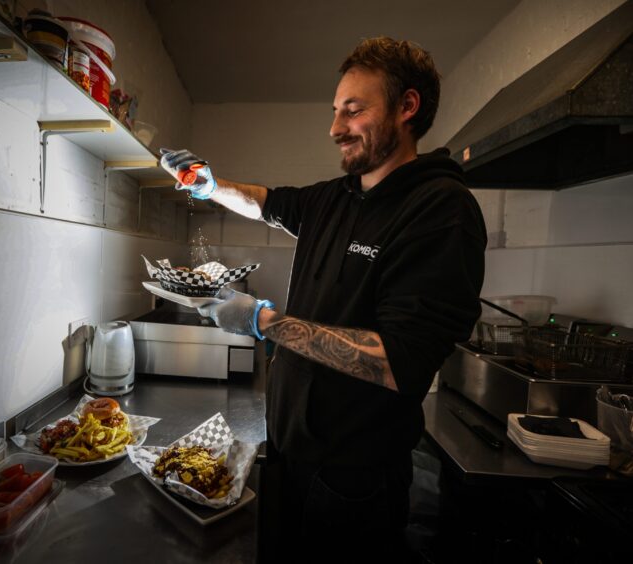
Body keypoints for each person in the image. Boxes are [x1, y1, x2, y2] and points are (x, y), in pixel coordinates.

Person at [161, 37, 486, 560]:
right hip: (291, 454)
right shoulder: (340, 195)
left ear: (407, 107)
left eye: (353, 111)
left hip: (353, 481)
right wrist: (210, 184)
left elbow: (400, 361)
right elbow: (267, 203)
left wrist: (263, 322)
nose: (335, 128)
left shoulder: (441, 210)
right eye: (336, 111)